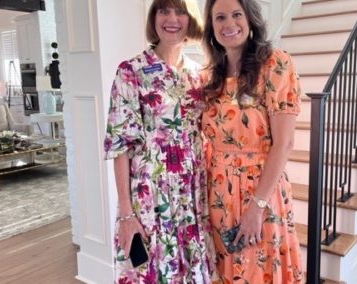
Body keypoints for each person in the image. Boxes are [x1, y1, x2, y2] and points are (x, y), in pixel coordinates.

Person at [104, 0, 218, 283]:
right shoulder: (131, 71)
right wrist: (127, 215)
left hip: (191, 195)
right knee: (152, 273)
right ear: (153, 18)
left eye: (180, 11)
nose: (172, 19)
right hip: (151, 196)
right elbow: (122, 147)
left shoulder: (199, 75)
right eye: (163, 10)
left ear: (190, 19)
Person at [201, 0, 304, 283]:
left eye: (237, 15)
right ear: (211, 27)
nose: (228, 24)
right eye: (219, 18)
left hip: (261, 192)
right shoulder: (210, 78)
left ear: (251, 19)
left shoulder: (275, 64)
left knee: (260, 268)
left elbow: (284, 144)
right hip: (219, 192)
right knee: (228, 270)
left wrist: (257, 206)